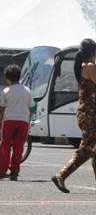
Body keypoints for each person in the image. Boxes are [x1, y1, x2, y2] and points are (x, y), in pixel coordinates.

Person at [52, 39, 96, 193]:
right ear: (92, 52)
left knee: (91, 148)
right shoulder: (89, 67)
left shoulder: (82, 66)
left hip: (88, 112)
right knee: (88, 148)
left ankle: (61, 176)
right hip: (90, 114)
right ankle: (61, 175)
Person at [0, 64, 32, 180]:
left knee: (5, 147)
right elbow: (31, 108)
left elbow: (1, 110)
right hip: (23, 121)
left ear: (7, 78)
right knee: (18, 148)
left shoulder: (6, 91)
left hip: (9, 121)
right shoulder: (27, 90)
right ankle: (14, 172)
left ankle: (1, 172)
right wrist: (28, 123)